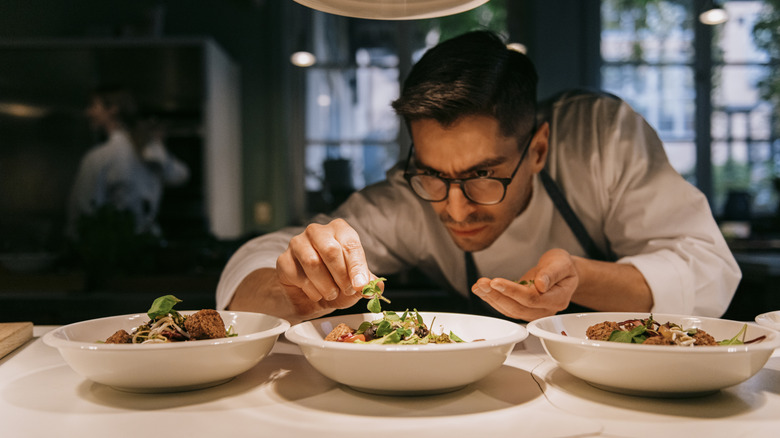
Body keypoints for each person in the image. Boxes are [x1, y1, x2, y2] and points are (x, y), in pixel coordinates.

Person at [217, 30, 740, 324]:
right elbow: (259, 262)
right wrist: (301, 288)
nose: (456, 207)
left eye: (483, 175)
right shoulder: (410, 199)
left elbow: (708, 268)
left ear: (537, 149)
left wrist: (584, 276)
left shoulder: (601, 138)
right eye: (433, 175)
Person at [66, 85, 190, 240]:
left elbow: (83, 211)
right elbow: (180, 176)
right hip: (147, 243)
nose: (88, 112)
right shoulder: (148, 148)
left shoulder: (101, 156)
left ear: (113, 109)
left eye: (93, 106)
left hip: (112, 246)